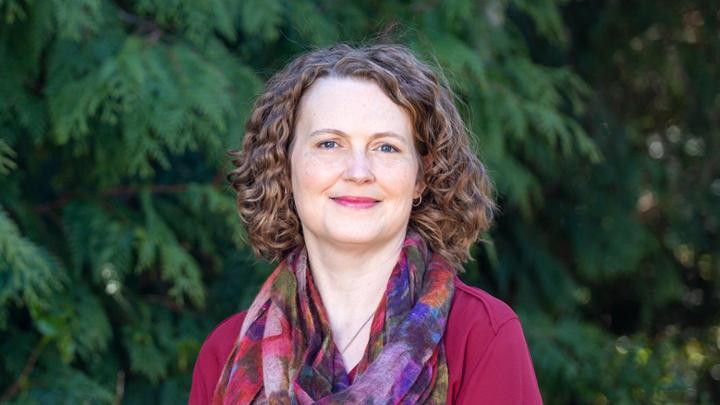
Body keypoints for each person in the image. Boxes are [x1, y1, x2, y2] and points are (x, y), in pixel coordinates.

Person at [190, 43, 542, 404]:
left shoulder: (481, 336)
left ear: (422, 176)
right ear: (283, 165)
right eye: (329, 144)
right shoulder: (224, 355)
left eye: (386, 147)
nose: (358, 172)